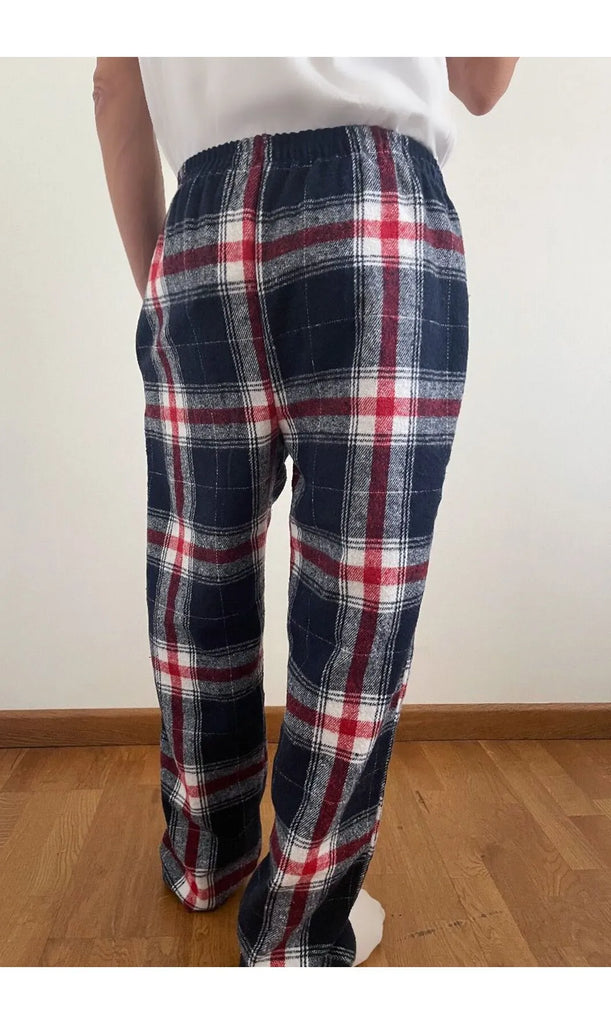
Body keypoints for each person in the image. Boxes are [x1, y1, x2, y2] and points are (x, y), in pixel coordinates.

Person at [93, 56, 520, 968]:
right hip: (374, 205)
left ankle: (205, 858)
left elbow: (114, 88)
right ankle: (297, 930)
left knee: (197, 573)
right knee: (357, 597)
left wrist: (168, 274)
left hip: (202, 217)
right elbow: (482, 81)